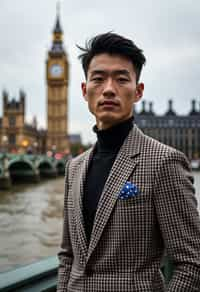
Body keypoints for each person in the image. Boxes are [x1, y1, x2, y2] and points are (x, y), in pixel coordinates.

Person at [57, 32, 200, 292]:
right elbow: (68, 256)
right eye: (98, 79)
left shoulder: (164, 162)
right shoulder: (74, 167)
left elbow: (191, 263)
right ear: (84, 90)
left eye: (121, 79)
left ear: (138, 91)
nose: (109, 89)